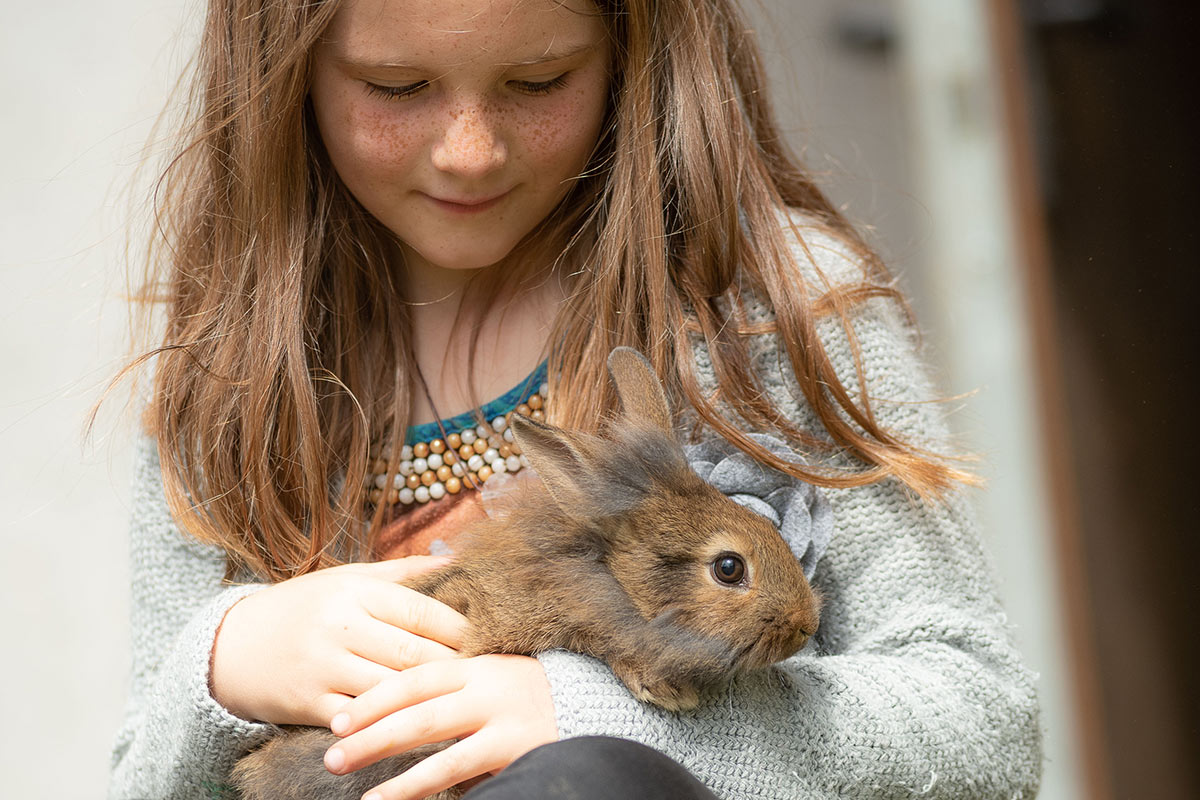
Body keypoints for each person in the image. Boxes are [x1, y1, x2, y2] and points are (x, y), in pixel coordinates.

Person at [107, 0, 1043, 798]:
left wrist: (590, 717)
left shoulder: (766, 311)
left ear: (631, 47)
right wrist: (225, 663)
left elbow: (983, 721)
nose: (470, 152)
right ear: (286, 74)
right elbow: (136, 771)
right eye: (396, 88)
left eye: (540, 80)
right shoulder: (230, 374)